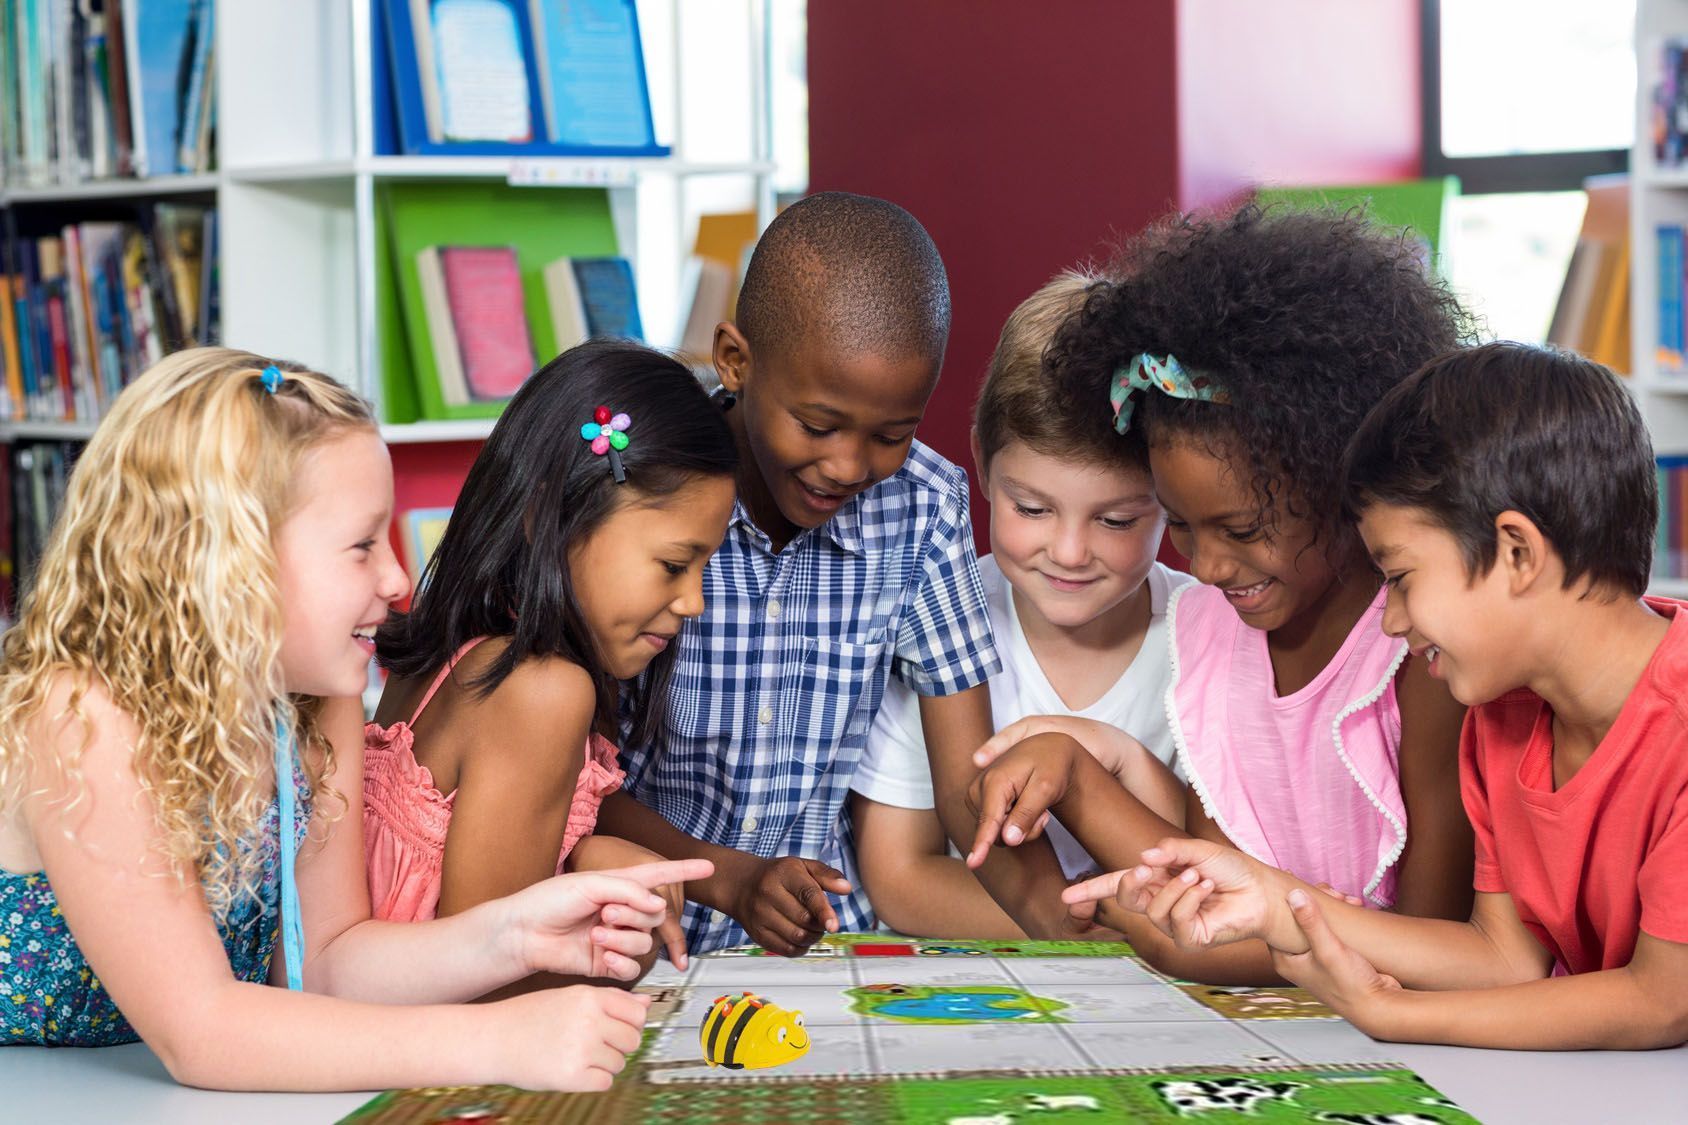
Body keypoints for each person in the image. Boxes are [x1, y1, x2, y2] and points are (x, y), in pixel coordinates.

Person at [0, 347, 707, 1091]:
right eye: (362, 545)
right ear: (233, 559)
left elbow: (332, 962)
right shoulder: (83, 716)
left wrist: (519, 935)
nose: (399, 579)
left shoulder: (309, 699)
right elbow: (200, 1029)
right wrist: (498, 1038)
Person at [1089, 342, 1688, 1049]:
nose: (1392, 619)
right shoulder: (1502, 715)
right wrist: (1274, 901)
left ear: (1518, 553)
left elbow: (1661, 1001)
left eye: (1400, 577)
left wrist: (1390, 1011)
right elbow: (1502, 956)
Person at [969, 206, 1476, 983]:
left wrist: (1191, 940)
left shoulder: (1416, 650)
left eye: (1242, 528)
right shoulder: (1210, 628)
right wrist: (1072, 771)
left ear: (1336, 476)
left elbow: (1430, 941)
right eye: (1180, 526)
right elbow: (1210, 881)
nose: (1206, 566)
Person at [597, 192, 1016, 956]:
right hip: (644, 940)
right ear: (735, 360)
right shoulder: (644, 492)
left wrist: (1089, 913)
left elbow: (966, 793)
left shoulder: (923, 506)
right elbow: (579, 789)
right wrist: (733, 877)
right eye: (818, 426)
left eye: (892, 433)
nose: (850, 466)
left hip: (830, 951)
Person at [367, 341, 737, 978]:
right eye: (675, 564)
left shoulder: (451, 657)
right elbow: (491, 980)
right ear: (552, 517)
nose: (694, 601)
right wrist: (618, 927)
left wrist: (580, 860)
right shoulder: (542, 690)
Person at [850, 270, 1191, 938]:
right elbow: (902, 877)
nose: (1068, 551)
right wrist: (1099, 930)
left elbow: (1223, 857)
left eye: (1117, 520)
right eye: (1031, 508)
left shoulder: (1206, 639)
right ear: (982, 463)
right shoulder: (938, 615)